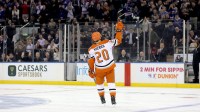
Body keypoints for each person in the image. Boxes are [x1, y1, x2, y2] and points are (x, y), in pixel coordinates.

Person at [87, 20, 124, 105]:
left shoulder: (91, 49)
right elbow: (118, 40)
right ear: (100, 36)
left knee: (99, 84)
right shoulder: (107, 42)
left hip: (99, 69)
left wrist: (91, 70)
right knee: (111, 83)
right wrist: (118, 30)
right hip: (110, 67)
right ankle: (113, 98)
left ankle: (102, 98)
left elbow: (91, 61)